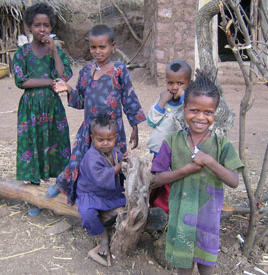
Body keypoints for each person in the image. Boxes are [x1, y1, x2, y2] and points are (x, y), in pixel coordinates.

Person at [151, 70, 244, 275]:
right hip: (180, 218)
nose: (200, 117)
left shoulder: (221, 144)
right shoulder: (172, 140)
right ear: (184, 109)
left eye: (208, 112)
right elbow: (157, 178)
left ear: (214, 113)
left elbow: (234, 181)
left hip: (208, 221)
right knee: (183, 268)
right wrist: (185, 170)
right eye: (194, 110)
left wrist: (210, 161)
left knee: (206, 267)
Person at [49, 24, 146, 205]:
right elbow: (80, 101)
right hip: (89, 129)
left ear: (112, 46)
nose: (97, 51)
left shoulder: (119, 70)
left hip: (111, 130)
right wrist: (68, 89)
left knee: (113, 163)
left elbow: (129, 97)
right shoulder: (86, 71)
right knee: (79, 159)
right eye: (93, 47)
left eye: (102, 47)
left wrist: (135, 126)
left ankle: (113, 201)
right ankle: (68, 186)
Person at [13, 3, 73, 215]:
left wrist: (54, 49)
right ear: (29, 26)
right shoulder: (22, 53)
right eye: (37, 25)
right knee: (33, 144)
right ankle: (34, 196)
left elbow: (63, 75)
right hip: (30, 108)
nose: (42, 29)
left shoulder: (54, 51)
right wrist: (48, 82)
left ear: (51, 27)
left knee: (57, 142)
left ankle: (60, 188)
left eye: (46, 25)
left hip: (52, 107)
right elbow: (22, 81)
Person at [76, 114, 127, 264]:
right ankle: (103, 235)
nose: (105, 143)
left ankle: (114, 225)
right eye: (100, 140)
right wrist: (118, 167)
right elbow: (100, 177)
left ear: (115, 137)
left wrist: (127, 163)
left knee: (128, 205)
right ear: (92, 138)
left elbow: (122, 173)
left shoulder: (116, 153)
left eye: (109, 139)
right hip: (91, 193)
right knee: (87, 214)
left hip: (110, 193)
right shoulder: (91, 156)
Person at [147, 60, 191, 214]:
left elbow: (189, 121)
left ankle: (165, 212)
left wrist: (184, 98)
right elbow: (151, 121)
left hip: (176, 154)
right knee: (155, 182)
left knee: (169, 185)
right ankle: (152, 208)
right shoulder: (162, 102)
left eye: (180, 83)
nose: (174, 87)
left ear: (188, 83)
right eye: (170, 83)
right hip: (158, 151)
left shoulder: (188, 105)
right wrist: (161, 102)